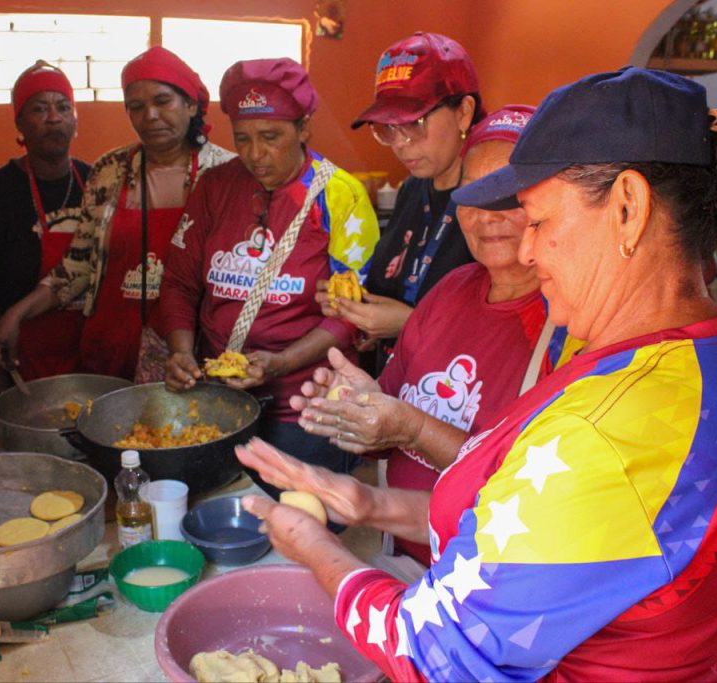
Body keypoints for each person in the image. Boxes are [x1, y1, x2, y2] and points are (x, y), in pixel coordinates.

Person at [239, 67, 717, 680]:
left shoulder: (606, 434)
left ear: (628, 208)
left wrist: (315, 549)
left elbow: (436, 653)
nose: (524, 251)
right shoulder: (713, 359)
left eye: (539, 221)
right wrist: (369, 501)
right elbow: (535, 532)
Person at [293, 105, 583, 564]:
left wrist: (411, 426)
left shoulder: (573, 325)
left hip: (485, 582)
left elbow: (529, 486)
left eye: (509, 196)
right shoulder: (450, 291)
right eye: (474, 194)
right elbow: (392, 425)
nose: (486, 215)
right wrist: (364, 408)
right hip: (406, 560)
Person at [159, 58, 380, 495]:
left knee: (306, 523)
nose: (255, 154)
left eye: (271, 137)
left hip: (308, 408)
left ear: (303, 128)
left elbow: (350, 315)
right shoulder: (215, 187)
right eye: (242, 138)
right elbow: (179, 283)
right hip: (222, 403)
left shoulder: (340, 196)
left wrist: (280, 363)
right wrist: (181, 351)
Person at [0, 48, 233, 383]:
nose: (149, 115)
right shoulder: (110, 170)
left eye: (163, 101)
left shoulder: (226, 174)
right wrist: (17, 312)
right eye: (136, 106)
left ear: (190, 105)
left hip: (191, 358)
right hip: (111, 349)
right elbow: (79, 265)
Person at [332, 32, 484, 371]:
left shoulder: (494, 203)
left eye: (414, 123)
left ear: (464, 112)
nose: (400, 143)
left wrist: (407, 323)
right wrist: (360, 309)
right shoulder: (411, 190)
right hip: (399, 382)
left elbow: (510, 329)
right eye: (387, 127)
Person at [0, 61, 91, 404]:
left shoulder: (97, 181)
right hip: (21, 357)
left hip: (89, 353)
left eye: (63, 107)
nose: (53, 118)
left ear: (75, 119)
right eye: (39, 108)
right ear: (19, 122)